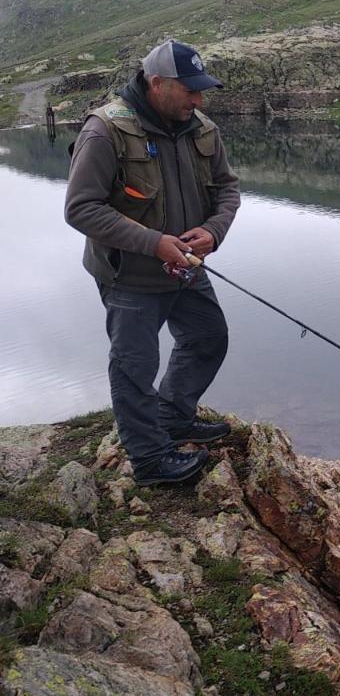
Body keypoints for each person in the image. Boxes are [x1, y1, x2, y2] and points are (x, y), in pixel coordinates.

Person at [65, 39, 241, 486]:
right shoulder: (104, 130)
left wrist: (214, 231)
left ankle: (174, 417)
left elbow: (227, 191)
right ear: (157, 83)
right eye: (191, 91)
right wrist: (153, 243)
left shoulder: (202, 127)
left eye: (202, 91)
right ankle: (149, 462)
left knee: (207, 338)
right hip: (130, 278)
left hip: (186, 269)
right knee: (134, 367)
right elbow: (81, 209)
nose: (199, 100)